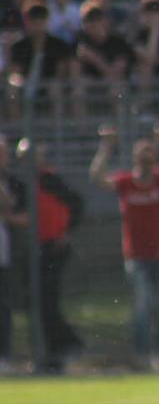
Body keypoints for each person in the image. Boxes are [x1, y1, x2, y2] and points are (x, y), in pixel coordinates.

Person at [89, 124, 159, 370]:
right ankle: (142, 357)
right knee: (142, 306)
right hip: (137, 256)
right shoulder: (125, 182)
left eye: (150, 151)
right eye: (142, 151)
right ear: (134, 157)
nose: (146, 155)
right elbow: (97, 176)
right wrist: (106, 147)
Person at [22, 140, 84, 373]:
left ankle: (66, 345)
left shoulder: (48, 180)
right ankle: (51, 350)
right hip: (36, 247)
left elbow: (76, 204)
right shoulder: (25, 183)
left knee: (46, 299)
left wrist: (65, 232)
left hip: (53, 247)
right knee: (36, 300)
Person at [0, 135, 27, 373]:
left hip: (3, 252)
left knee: (3, 306)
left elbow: (15, 210)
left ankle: (4, 356)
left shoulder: (13, 182)